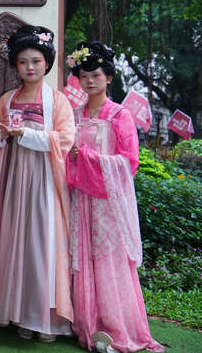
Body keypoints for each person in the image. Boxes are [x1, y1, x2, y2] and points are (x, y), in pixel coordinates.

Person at [66, 42, 164, 353]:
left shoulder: (120, 115)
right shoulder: (74, 115)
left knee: (110, 260)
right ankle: (86, 324)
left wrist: (89, 157)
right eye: (84, 76)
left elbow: (128, 162)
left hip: (108, 201)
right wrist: (71, 157)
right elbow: (66, 155)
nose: (89, 81)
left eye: (96, 75)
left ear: (109, 78)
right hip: (80, 197)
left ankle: (116, 327)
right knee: (82, 258)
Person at [0, 25, 75, 342]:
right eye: (23, 62)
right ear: (15, 65)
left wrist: (28, 135)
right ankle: (18, 314)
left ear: (47, 63)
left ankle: (42, 317)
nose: (30, 67)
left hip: (43, 181)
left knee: (40, 244)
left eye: (36, 61)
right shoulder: (8, 99)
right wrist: (3, 136)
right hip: (12, 179)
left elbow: (66, 138)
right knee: (12, 242)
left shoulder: (58, 101)